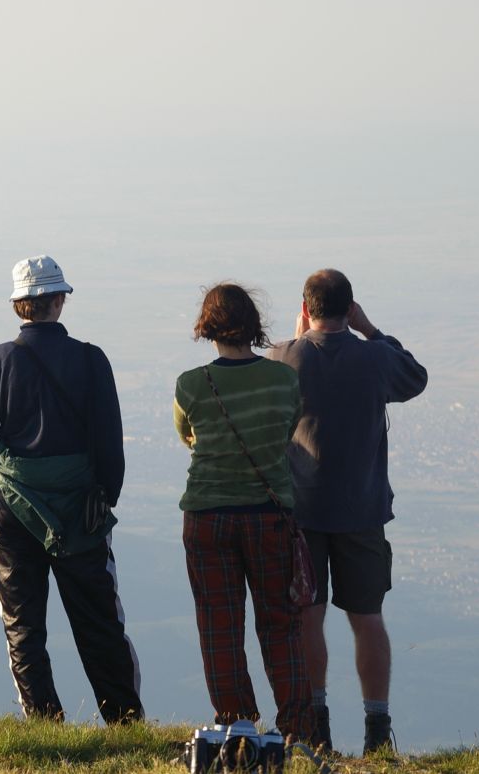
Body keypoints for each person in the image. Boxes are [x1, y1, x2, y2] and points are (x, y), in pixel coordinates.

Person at [0, 255, 143, 724]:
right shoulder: (90, 359)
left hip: (12, 511)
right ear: (59, 300)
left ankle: (44, 723)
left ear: (18, 305)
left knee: (22, 625)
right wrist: (105, 498)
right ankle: (123, 721)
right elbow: (110, 443)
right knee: (100, 622)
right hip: (80, 508)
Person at [268, 268, 427, 754]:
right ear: (350, 308)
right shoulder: (374, 357)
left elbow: (277, 378)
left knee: (307, 618)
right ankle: (377, 728)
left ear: (305, 308)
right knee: (368, 617)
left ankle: (316, 722)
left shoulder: (283, 359)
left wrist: (297, 341)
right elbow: (415, 377)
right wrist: (372, 329)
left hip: (303, 511)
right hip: (362, 509)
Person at [173, 282, 316, 743]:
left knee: (219, 625)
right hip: (269, 515)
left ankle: (238, 727)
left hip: (207, 517)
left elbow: (188, 437)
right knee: (281, 624)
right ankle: (295, 730)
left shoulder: (191, 384)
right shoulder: (283, 379)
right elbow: (287, 429)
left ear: (207, 326)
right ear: (253, 325)